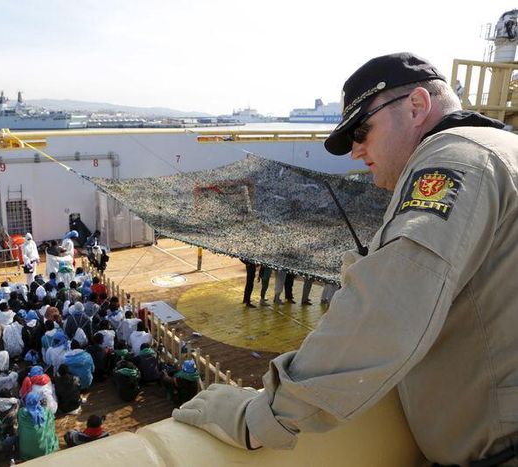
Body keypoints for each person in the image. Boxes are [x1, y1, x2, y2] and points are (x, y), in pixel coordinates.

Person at [173, 52, 518, 465]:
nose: (356, 150)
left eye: (362, 129)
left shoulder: (453, 161)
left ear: (417, 106)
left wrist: (264, 418)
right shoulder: (501, 149)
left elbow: (387, 309)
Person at [17, 392, 59, 460]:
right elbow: (51, 426)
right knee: (50, 430)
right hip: (44, 452)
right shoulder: (46, 411)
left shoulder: (21, 413)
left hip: (26, 453)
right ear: (38, 402)